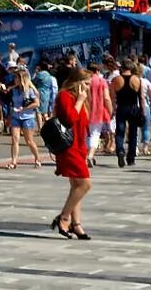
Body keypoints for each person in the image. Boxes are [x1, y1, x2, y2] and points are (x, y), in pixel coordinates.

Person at [51, 68, 93, 238]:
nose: (88, 88)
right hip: (68, 147)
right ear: (77, 82)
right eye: (86, 83)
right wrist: (80, 100)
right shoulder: (65, 96)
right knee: (85, 184)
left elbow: (83, 122)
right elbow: (69, 119)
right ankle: (63, 218)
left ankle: (76, 224)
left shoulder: (80, 98)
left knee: (76, 186)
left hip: (79, 146)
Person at [5, 67, 44, 169]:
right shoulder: (14, 90)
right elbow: (9, 102)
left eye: (16, 78)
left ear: (22, 79)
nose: (14, 80)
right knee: (14, 139)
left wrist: (24, 108)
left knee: (29, 141)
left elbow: (37, 103)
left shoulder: (30, 90)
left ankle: (37, 158)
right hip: (15, 116)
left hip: (27, 117)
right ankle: (13, 161)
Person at [112, 60, 147, 168]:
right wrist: (142, 110)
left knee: (120, 132)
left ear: (121, 68)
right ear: (131, 68)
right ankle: (131, 158)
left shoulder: (116, 80)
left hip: (121, 107)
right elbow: (141, 97)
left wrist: (113, 109)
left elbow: (113, 97)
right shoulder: (137, 80)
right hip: (133, 108)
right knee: (133, 133)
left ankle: (120, 151)